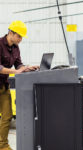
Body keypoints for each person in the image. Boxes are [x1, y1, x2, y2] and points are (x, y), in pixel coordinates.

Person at [0, 20, 39, 150]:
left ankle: (3, 145)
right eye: (19, 36)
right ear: (11, 33)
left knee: (7, 116)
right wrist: (16, 71)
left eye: (22, 37)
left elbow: (18, 65)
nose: (21, 39)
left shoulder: (16, 48)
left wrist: (27, 68)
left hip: (3, 86)